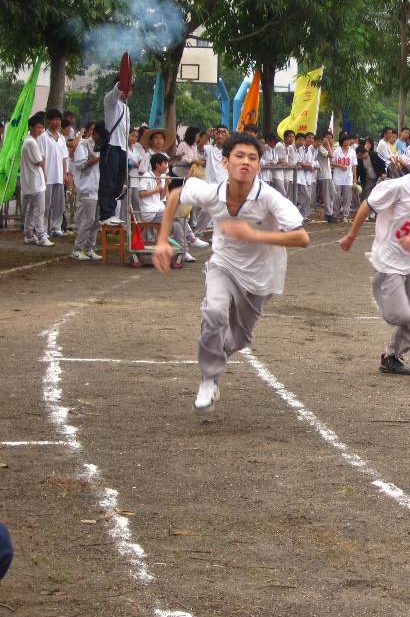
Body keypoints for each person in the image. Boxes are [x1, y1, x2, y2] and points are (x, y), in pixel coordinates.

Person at [152, 133, 309, 411]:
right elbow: (176, 194)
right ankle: (209, 379)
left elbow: (301, 238)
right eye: (239, 156)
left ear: (260, 165)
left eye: (252, 158)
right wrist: (162, 241)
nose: (245, 162)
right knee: (214, 312)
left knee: (238, 339)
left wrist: (254, 235)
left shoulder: (269, 198)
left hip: (261, 278)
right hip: (223, 267)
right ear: (225, 161)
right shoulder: (213, 193)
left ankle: (216, 353)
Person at [340, 129, 410, 375]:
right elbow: (366, 205)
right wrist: (351, 235)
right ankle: (380, 286)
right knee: (399, 314)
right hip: (389, 260)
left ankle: (391, 355)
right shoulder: (399, 186)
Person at [97, 83, 129, 226]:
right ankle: (106, 214)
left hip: (122, 148)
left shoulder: (126, 108)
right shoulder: (110, 102)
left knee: (118, 183)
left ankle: (111, 212)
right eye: (127, 88)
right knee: (108, 182)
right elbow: (115, 92)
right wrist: (121, 82)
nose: (129, 92)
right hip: (111, 146)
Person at [71, 123, 102, 260]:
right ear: (95, 134)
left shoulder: (101, 147)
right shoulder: (84, 145)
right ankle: (77, 249)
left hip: (98, 188)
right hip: (87, 188)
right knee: (88, 220)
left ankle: (89, 248)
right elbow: (80, 164)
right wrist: (97, 159)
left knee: (96, 222)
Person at [20, 112, 51, 246]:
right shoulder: (31, 143)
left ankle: (28, 234)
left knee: (32, 209)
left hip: (31, 182)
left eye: (41, 127)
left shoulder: (29, 141)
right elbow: (40, 161)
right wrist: (43, 162)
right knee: (39, 210)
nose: (40, 130)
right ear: (32, 127)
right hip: (35, 182)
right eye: (38, 127)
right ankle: (41, 236)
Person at [40, 109, 71, 237]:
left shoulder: (62, 138)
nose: (57, 122)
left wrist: (65, 173)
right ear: (49, 120)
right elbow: (41, 157)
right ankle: (43, 229)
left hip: (59, 176)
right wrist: (43, 173)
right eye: (55, 119)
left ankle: (56, 227)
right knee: (45, 205)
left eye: (59, 119)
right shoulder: (43, 137)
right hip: (47, 176)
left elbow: (65, 158)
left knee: (59, 204)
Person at [331, 132, 358, 223]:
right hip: (337, 177)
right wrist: (340, 165)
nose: (347, 142)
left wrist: (355, 177)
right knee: (337, 197)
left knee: (347, 198)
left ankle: (345, 215)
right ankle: (335, 214)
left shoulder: (352, 151)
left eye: (348, 140)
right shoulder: (337, 151)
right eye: (346, 140)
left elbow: (354, 165)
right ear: (342, 141)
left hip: (348, 178)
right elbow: (332, 163)